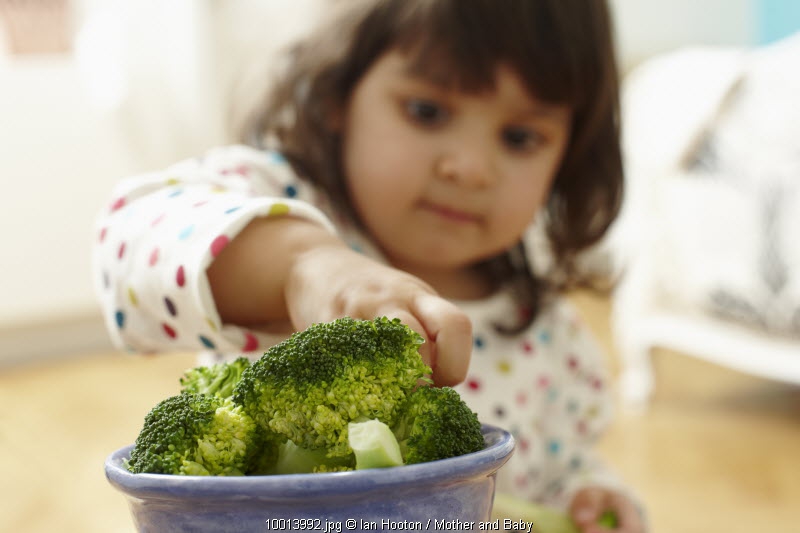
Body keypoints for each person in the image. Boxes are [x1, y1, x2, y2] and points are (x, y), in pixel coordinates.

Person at [93, 1, 645, 531]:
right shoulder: (285, 203)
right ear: (338, 94)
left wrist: (588, 501)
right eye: (427, 111)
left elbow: (555, 477)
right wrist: (302, 265)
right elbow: (130, 243)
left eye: (520, 137)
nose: (470, 168)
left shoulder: (554, 339)